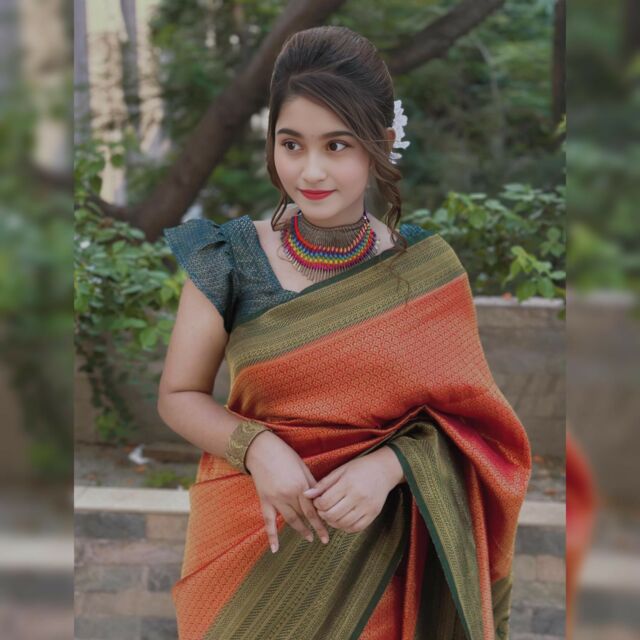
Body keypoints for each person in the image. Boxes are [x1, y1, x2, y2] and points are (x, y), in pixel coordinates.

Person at [157, 25, 531, 640]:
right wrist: (257, 446)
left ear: (382, 143)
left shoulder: (426, 274)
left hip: (377, 562)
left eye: (337, 145)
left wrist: (392, 466)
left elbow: (481, 433)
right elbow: (178, 395)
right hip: (247, 548)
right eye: (291, 144)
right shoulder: (226, 258)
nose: (310, 170)